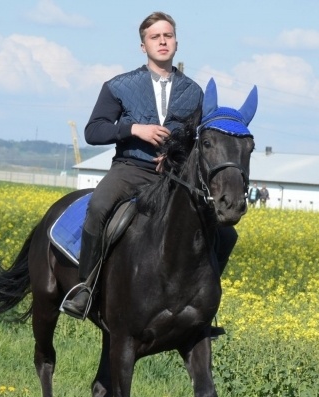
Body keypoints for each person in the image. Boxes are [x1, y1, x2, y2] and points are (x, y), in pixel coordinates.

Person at [61, 11, 237, 324]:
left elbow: (197, 141)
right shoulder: (119, 86)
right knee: (99, 205)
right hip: (129, 169)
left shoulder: (194, 93)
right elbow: (93, 131)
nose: (162, 41)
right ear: (143, 46)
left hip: (173, 176)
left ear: (176, 43)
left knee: (226, 233)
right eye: (155, 37)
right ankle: (84, 287)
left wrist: (175, 157)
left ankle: (205, 303)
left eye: (167, 36)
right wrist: (133, 130)